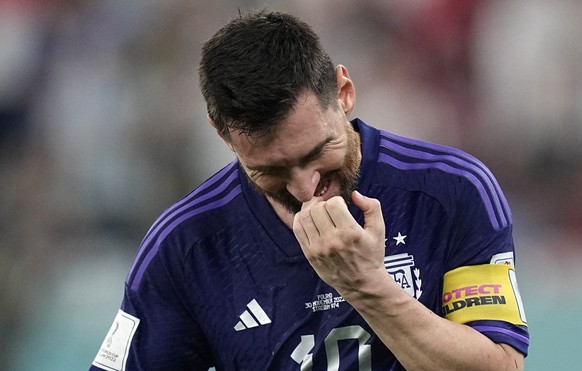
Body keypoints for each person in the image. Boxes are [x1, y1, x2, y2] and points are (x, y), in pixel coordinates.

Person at [90, 10, 529, 370]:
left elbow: (500, 368)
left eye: (318, 151)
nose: (304, 188)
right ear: (223, 136)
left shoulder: (451, 191)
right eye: (271, 169)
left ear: (344, 92)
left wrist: (366, 286)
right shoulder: (186, 245)